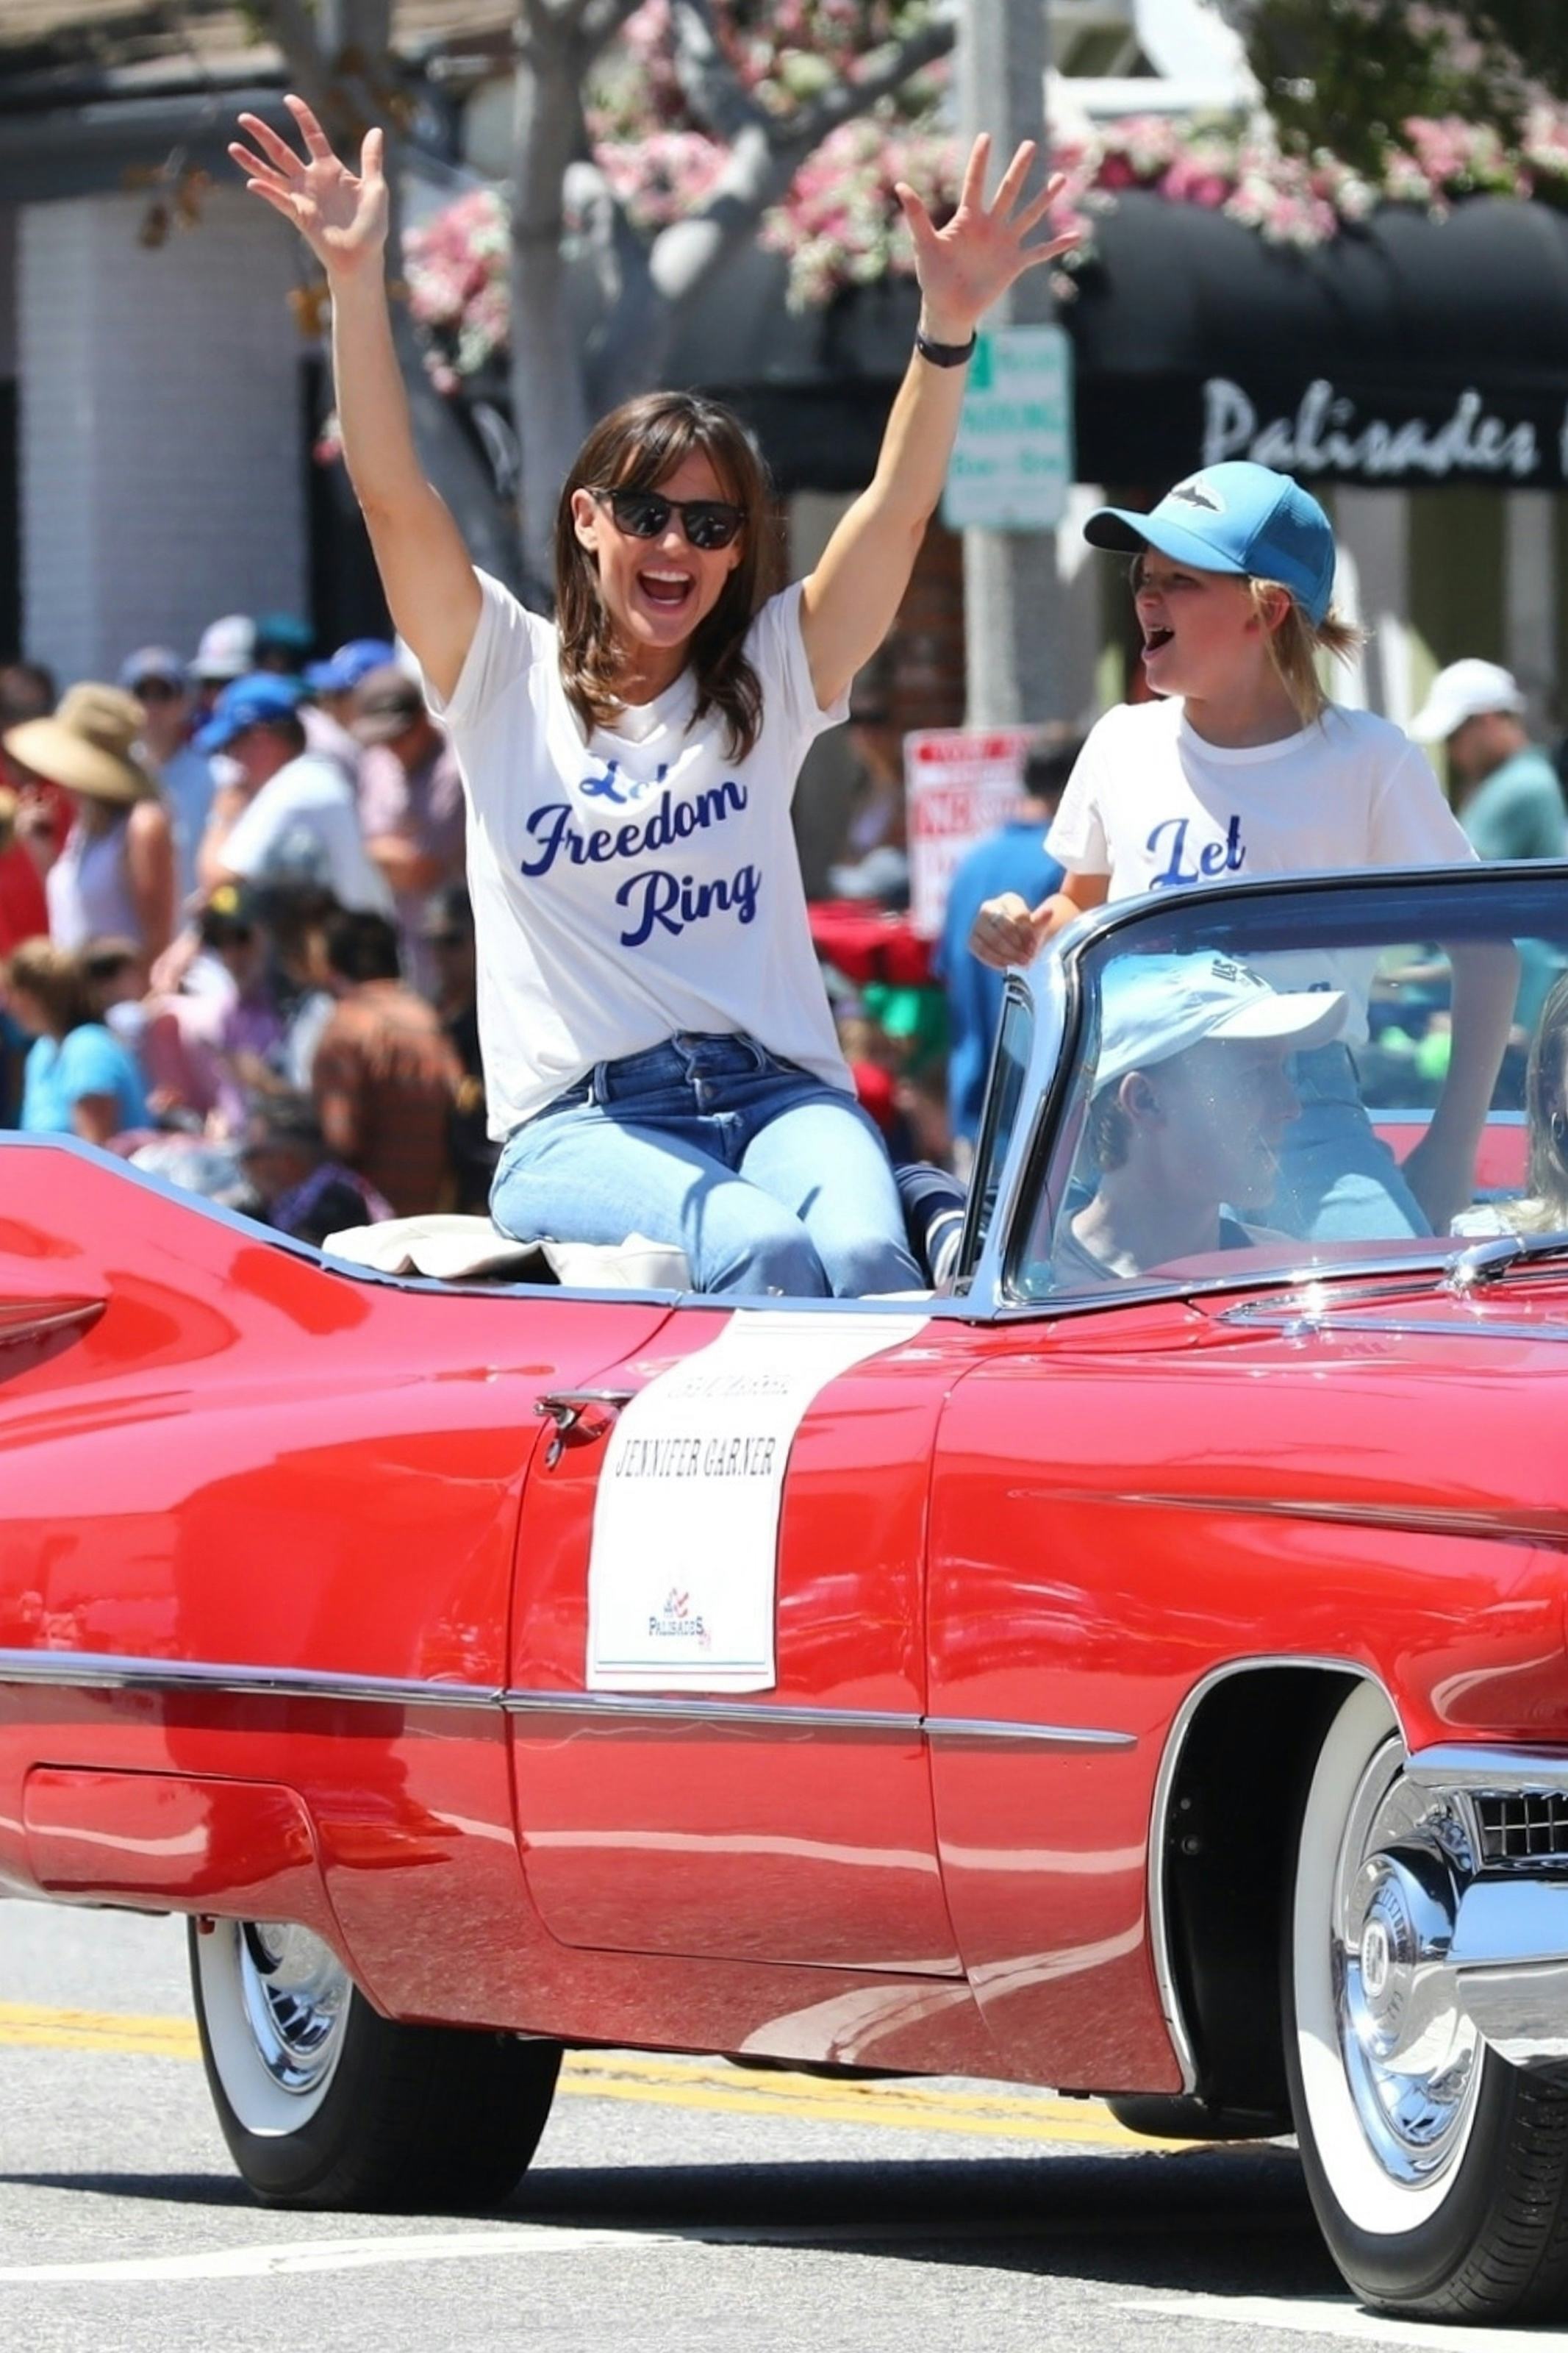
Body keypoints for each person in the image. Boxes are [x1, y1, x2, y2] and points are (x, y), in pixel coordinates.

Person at [231, 95, 1077, 1296]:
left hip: (778, 1091)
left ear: (737, 552)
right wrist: (356, 277)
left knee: (861, 1254)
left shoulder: (768, 679)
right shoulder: (498, 676)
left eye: (710, 523)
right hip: (580, 1127)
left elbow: (893, 512)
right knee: (762, 1249)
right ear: (586, 523)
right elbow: (391, 499)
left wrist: (947, 330)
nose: (674, 542)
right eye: (644, 513)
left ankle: (902, 1238)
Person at [969, 460, 1514, 1241]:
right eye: (1144, 577)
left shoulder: (1368, 757)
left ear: (1269, 611)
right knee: (1059, 1333)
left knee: (1383, 1314)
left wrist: (1452, 1148)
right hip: (1127, 1106)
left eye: (1181, 581)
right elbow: (1076, 910)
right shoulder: (1121, 740)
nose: (1146, 598)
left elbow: (1489, 950)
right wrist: (1020, 925)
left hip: (1299, 1104)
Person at [1055, 951, 1348, 1286]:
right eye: (1253, 1077)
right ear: (1146, 1101)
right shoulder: (1034, 1297)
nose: (1291, 1107)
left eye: (1283, 1072)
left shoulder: (1290, 1277)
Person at [937, 725, 1078, 1169]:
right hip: (1043, 1129)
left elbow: (945, 974)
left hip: (973, 1121)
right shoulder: (1070, 873)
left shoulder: (971, 862)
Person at [193, 672, 393, 915]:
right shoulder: (307, 777)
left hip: (353, 945)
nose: (234, 762)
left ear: (262, 740)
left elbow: (216, 881)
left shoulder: (297, 788)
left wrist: (221, 818)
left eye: (233, 746)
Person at [4, 685, 177, 963]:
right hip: (81, 1001)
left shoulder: (142, 825)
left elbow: (157, 941)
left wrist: (140, 1007)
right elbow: (74, 910)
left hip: (123, 1003)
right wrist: (40, 848)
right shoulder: (85, 823)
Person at [310, 907, 462, 1217]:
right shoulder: (427, 1018)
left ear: (331, 965)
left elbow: (342, 1139)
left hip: (371, 1227)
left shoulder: (347, 1027)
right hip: (434, 1218)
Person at [351, 663, 466, 993]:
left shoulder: (453, 769)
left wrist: (370, 850)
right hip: (397, 928)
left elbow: (422, 871)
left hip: (455, 936)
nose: (391, 747)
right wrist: (386, 851)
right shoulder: (378, 760)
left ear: (420, 720)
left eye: (398, 737)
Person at [2, 936, 148, 1143]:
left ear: (32, 996)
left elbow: (97, 1152)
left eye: (11, 993)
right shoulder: (42, 1050)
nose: (6, 1007)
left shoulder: (89, 1048)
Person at [118, 646, 220, 907]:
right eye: (142, 693)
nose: (152, 706)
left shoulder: (215, 776)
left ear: (185, 703)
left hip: (192, 934)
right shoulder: (111, 776)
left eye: (164, 694)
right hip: (126, 935)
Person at [239, 1090, 393, 1245]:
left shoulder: (337, 1204)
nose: (243, 1164)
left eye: (251, 1155)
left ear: (287, 1161)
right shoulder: (282, 1204)